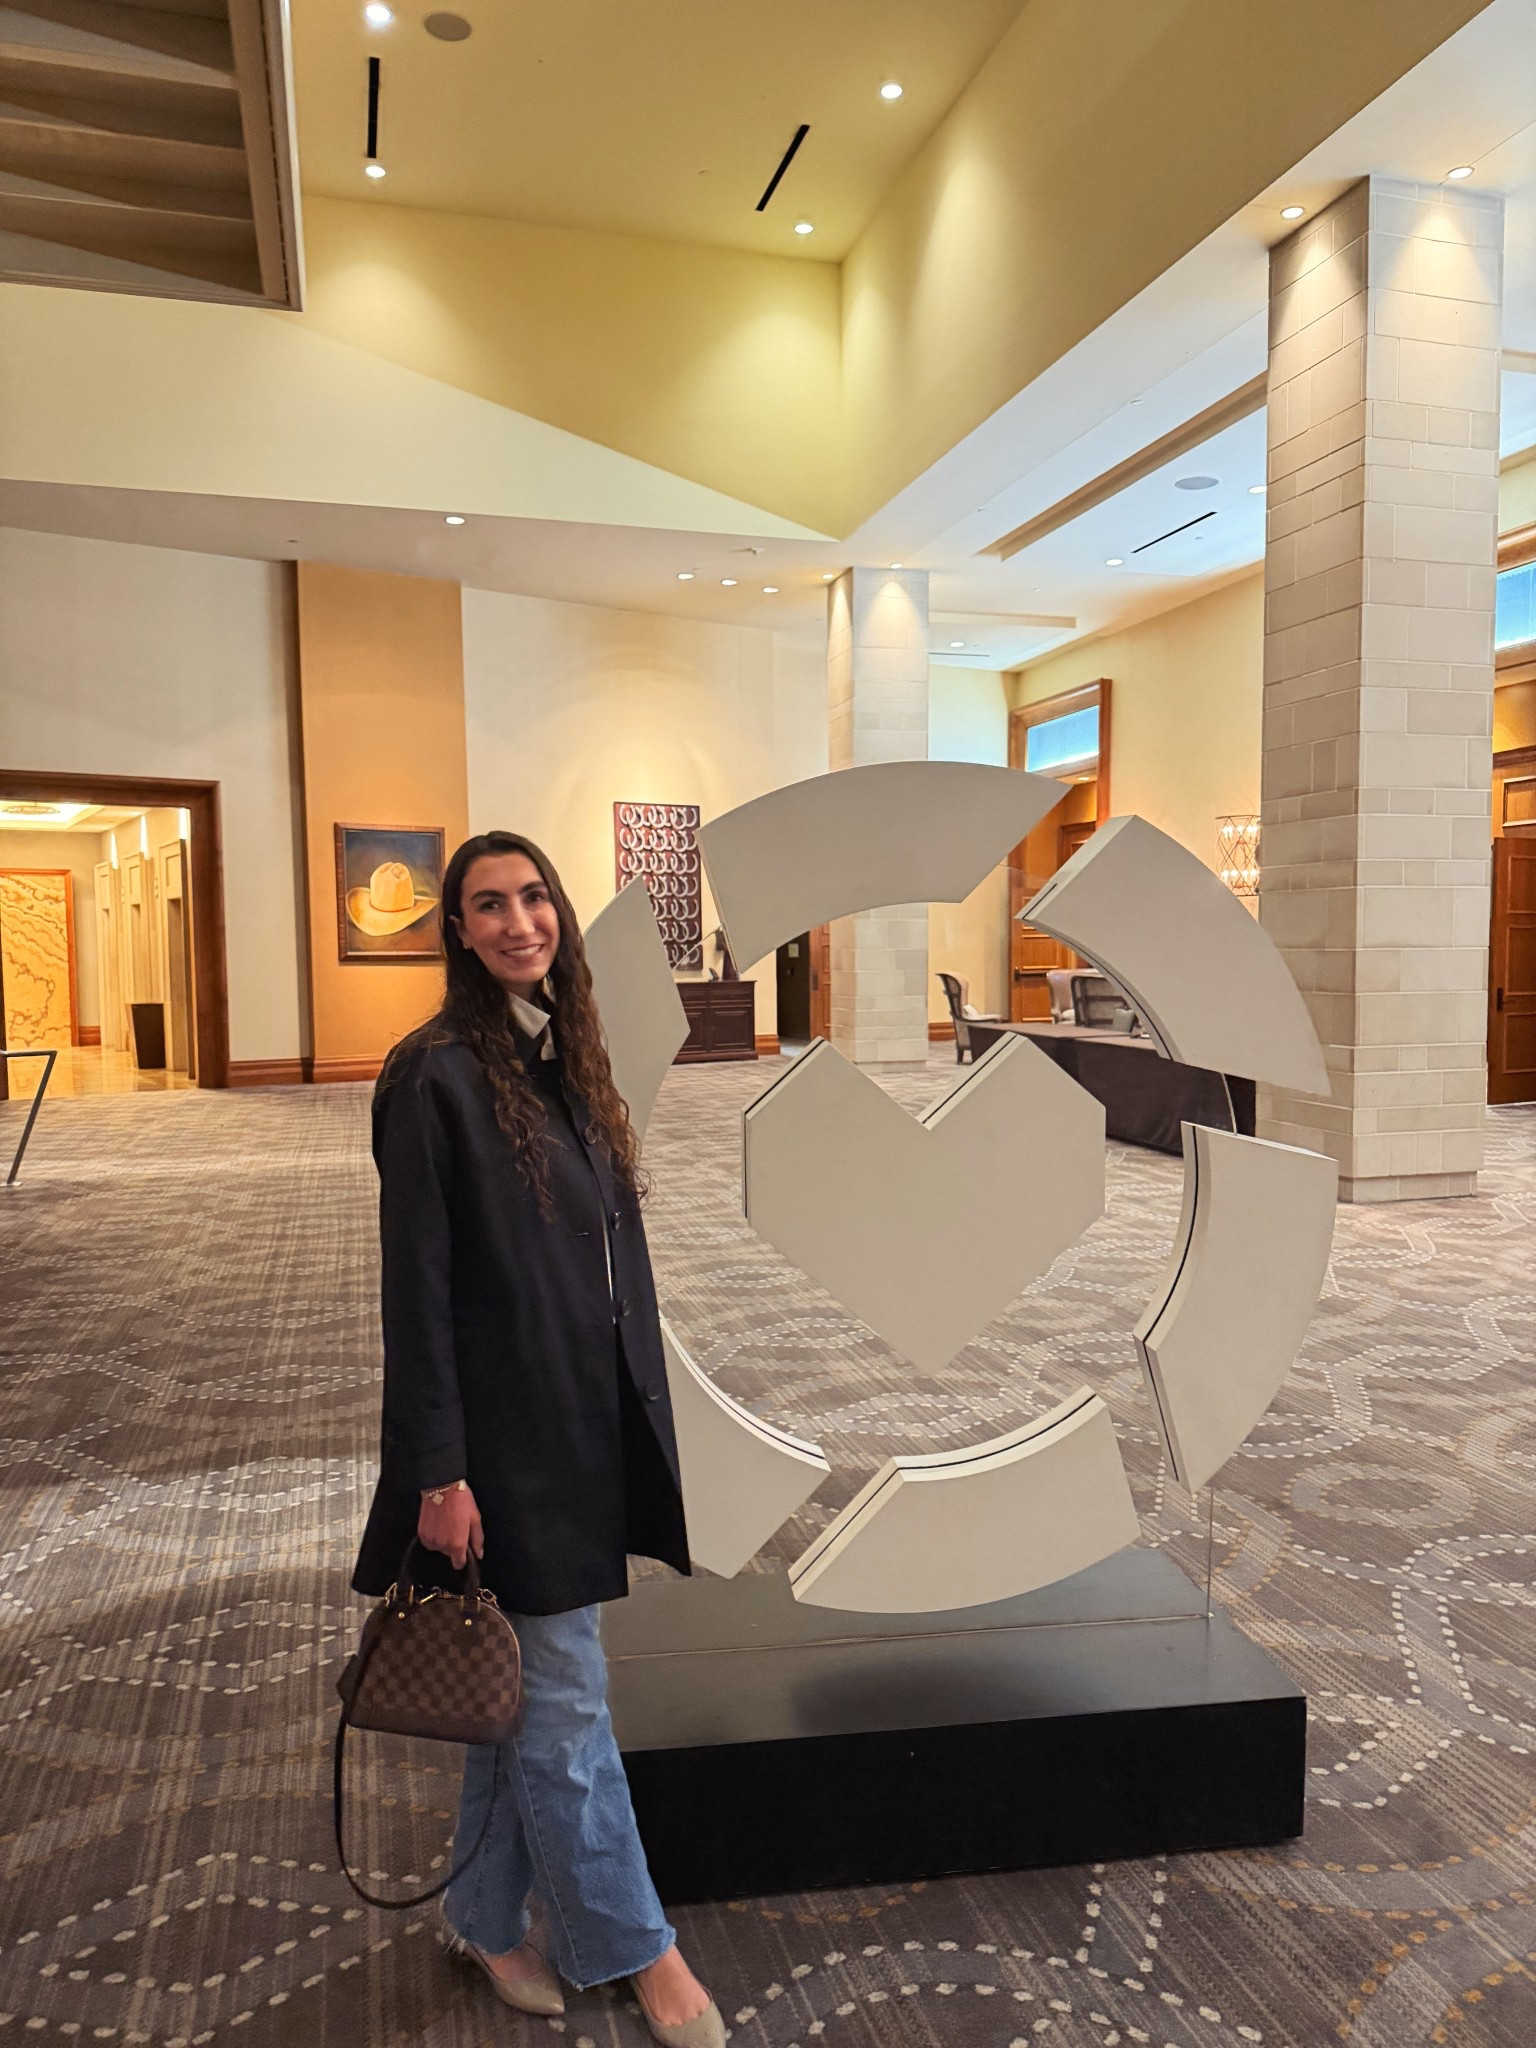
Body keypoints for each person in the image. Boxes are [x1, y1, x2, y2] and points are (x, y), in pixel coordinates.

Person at [352, 829, 725, 2048]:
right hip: (498, 1451)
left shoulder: (562, 1052)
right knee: (566, 1701)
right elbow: (417, 1290)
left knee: (521, 1694)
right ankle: (638, 1944)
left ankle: (481, 1908)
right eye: (488, 905)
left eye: (534, 898)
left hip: (580, 1425)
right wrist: (439, 1469)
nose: (520, 922)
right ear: (456, 929)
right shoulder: (436, 1074)